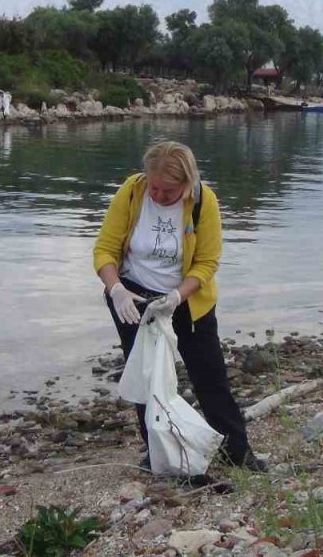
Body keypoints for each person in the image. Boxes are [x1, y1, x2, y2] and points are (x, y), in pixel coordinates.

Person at [92, 140, 266, 472]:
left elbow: (207, 263)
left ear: (187, 184)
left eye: (168, 192)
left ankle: (237, 452)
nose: (158, 196)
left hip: (186, 302)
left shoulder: (204, 202)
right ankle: (156, 453)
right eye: (154, 188)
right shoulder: (132, 191)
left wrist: (175, 298)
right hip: (133, 300)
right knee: (146, 379)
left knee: (210, 375)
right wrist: (115, 289)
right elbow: (104, 249)